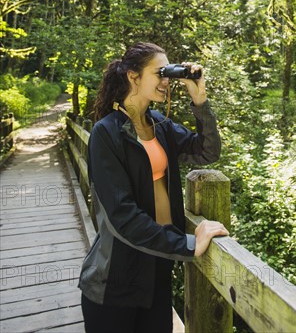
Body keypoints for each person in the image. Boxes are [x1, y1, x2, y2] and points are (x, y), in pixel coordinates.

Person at [78, 42, 228, 333]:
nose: (166, 81)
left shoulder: (160, 125)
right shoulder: (106, 133)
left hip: (158, 270)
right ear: (133, 77)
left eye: (168, 74)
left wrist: (200, 102)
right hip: (116, 280)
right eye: (159, 73)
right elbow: (122, 216)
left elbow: (207, 151)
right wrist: (187, 244)